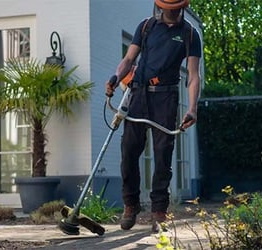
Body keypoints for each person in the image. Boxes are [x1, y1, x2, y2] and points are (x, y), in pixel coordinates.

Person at [105, 0, 202, 233]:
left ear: (183, 7)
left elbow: (193, 75)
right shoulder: (146, 26)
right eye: (169, 8)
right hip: (137, 94)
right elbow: (129, 60)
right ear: (160, 7)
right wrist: (116, 78)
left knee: (163, 156)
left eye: (177, 8)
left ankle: (159, 212)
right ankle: (131, 205)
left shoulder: (190, 33)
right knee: (128, 151)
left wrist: (192, 108)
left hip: (165, 98)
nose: (173, 12)